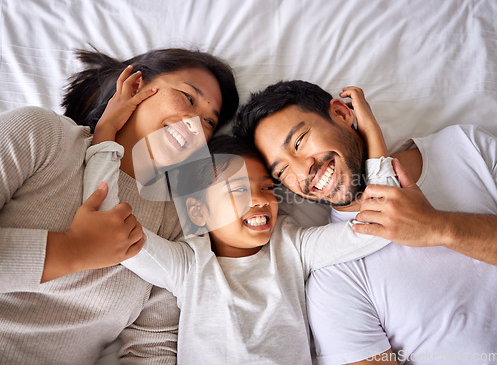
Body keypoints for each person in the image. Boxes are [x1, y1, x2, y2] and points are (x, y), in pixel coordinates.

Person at [81, 80, 399, 364]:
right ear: (198, 212)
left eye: (266, 186)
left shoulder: (293, 247)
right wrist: (106, 130)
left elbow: (379, 226)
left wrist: (371, 134)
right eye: (237, 190)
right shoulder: (188, 265)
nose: (260, 199)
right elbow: (109, 221)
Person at [0, 48, 238, 364]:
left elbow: (153, 345)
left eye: (209, 121)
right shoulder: (41, 135)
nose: (195, 122)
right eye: (188, 98)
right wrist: (72, 249)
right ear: (135, 86)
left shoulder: (177, 221)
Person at [234, 81, 497, 364]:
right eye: (283, 170)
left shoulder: (465, 146)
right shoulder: (333, 277)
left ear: (342, 113)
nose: (303, 171)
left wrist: (439, 227)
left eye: (299, 142)